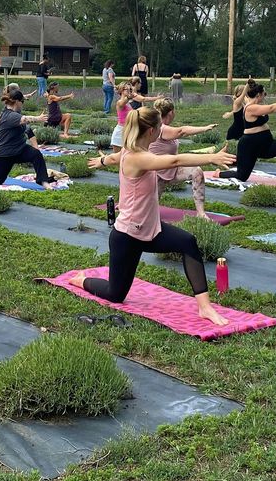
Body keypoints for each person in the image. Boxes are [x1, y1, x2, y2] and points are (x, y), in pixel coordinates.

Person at [78, 107, 235, 325]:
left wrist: (102, 161)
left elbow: (114, 158)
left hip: (152, 230)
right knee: (115, 294)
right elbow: (174, 161)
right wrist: (212, 157)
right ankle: (82, 280)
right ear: (152, 130)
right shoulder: (136, 157)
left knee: (188, 243)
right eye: (160, 128)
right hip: (127, 236)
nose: (162, 131)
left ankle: (205, 307)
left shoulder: (130, 151)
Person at [217, 80, 276, 185]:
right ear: (258, 95)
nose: (265, 96)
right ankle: (218, 174)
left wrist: (249, 85)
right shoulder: (250, 108)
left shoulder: (257, 105)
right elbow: (272, 108)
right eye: (264, 94)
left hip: (266, 143)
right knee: (242, 176)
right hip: (250, 145)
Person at [149, 97, 216, 218]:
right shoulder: (161, 128)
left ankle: (201, 213)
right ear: (171, 112)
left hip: (171, 168)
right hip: (155, 173)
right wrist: (205, 128)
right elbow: (182, 131)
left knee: (197, 172)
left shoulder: (165, 128)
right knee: (149, 209)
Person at [0, 89, 59, 188]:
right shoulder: (10, 115)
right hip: (3, 154)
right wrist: (38, 118)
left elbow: (28, 129)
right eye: (22, 102)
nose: (23, 104)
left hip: (19, 149)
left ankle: (43, 181)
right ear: (17, 102)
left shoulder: (12, 109)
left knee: (36, 154)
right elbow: (25, 119)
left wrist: (26, 96)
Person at [110, 83, 135, 149]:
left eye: (130, 89)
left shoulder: (128, 103)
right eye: (128, 89)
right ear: (122, 91)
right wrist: (129, 97)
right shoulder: (119, 102)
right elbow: (121, 104)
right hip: (120, 132)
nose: (130, 91)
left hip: (128, 131)